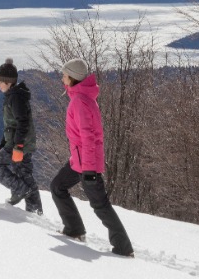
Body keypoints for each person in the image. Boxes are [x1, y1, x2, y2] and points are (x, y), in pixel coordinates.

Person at [50, 58, 134, 258]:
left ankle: (123, 248)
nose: (62, 78)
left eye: (64, 75)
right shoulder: (81, 97)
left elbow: (89, 136)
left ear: (72, 77)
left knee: (99, 204)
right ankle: (74, 229)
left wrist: (89, 170)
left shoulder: (80, 101)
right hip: (79, 162)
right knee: (57, 186)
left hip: (86, 165)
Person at [0, 58, 42, 214]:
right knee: (25, 174)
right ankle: (35, 213)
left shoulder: (16, 97)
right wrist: (3, 142)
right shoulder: (14, 95)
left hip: (20, 144)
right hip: (20, 142)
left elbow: (22, 123)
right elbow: (11, 124)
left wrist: (18, 147)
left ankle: (19, 190)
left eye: (0, 81)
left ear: (8, 82)